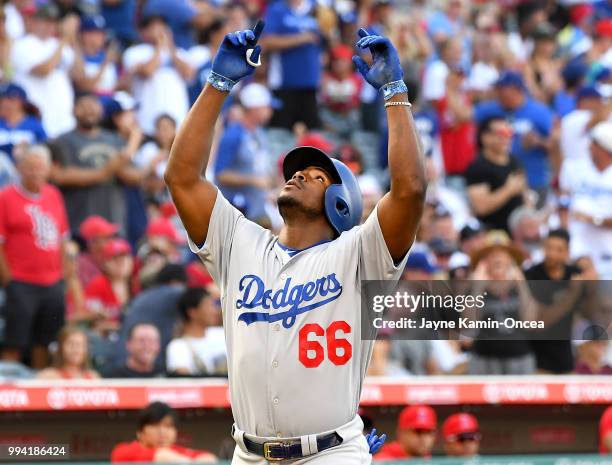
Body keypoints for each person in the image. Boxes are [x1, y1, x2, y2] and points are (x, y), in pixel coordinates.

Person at [164, 21, 425, 464]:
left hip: (330, 453)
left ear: (341, 203)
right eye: (296, 170)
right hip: (248, 454)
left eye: (317, 175)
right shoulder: (240, 243)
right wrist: (217, 85)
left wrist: (395, 93)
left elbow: (410, 190)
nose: (299, 174)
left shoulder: (361, 254)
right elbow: (182, 177)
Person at [0, 145, 69, 369]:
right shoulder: (6, 197)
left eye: (40, 168)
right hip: (21, 281)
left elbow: (63, 239)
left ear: (49, 169)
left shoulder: (54, 194)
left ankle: (39, 392)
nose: (35, 172)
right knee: (15, 341)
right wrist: (8, 279)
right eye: (30, 167)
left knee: (45, 342)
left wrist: (64, 276)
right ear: (20, 168)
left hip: (52, 281)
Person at [49, 93, 131, 235]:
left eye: (93, 106)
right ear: (73, 110)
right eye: (83, 106)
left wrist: (135, 140)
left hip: (113, 224)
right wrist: (106, 171)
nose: (89, 110)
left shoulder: (115, 139)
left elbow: (134, 176)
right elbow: (59, 176)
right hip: (78, 225)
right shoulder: (62, 141)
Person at [475, 71, 554, 198]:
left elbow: (554, 144)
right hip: (497, 182)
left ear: (516, 90)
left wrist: (537, 141)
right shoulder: (489, 110)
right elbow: (466, 120)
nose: (498, 92)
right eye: (497, 88)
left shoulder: (540, 112)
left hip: (533, 179)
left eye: (502, 89)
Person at [10, 2, 77, 137]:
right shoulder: (22, 45)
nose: (49, 26)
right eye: (45, 21)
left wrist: (73, 38)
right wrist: (64, 39)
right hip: (38, 117)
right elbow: (43, 71)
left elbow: (78, 75)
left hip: (63, 117)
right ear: (34, 21)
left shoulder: (59, 45)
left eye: (53, 22)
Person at [214, 82, 274, 223]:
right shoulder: (233, 136)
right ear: (254, 108)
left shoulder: (260, 133)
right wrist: (252, 180)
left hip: (258, 209)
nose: (270, 110)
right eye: (266, 106)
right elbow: (220, 175)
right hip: (237, 213)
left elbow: (261, 168)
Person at [123, 16, 193, 135]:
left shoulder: (179, 53)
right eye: (154, 27)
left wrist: (170, 47)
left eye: (163, 27)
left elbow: (189, 74)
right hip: (147, 120)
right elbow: (148, 71)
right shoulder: (135, 52)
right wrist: (159, 47)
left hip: (177, 118)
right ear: (143, 32)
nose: (160, 31)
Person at [560, 121, 612, 279]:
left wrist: (594, 219)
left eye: (594, 143)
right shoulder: (573, 167)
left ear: (604, 148)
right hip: (578, 247)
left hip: (608, 251)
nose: (589, 146)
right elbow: (562, 203)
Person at [525, 229, 581, 374]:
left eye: (558, 249)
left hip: (567, 359)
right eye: (548, 248)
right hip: (537, 361)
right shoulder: (532, 276)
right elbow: (540, 322)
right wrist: (572, 294)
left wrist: (592, 286)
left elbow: (592, 312)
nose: (551, 254)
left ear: (567, 252)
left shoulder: (575, 274)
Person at [260, 0, 323, 130]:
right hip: (284, 83)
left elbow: (324, 40)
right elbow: (267, 41)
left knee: (312, 135)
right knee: (281, 133)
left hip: (310, 83)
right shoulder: (277, 9)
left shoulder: (316, 8)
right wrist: (302, 38)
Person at [465, 116, 525, 232]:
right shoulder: (477, 167)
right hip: (492, 233)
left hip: (518, 232)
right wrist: (508, 190)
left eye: (509, 133)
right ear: (485, 137)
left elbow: (523, 192)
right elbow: (480, 207)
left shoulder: (514, 161)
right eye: (501, 133)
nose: (506, 138)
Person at [110, 401, 217, 463]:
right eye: (155, 425)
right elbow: (161, 456)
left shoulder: (177, 451)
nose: (162, 432)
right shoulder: (124, 450)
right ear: (140, 432)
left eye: (168, 426)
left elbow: (210, 459)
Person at [166, 287, 226, 376]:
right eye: (208, 306)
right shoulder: (178, 347)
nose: (215, 311)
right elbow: (184, 382)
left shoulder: (224, 335)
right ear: (192, 312)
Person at [82, 238, 133, 337]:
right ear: (105, 264)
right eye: (115, 259)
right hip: (106, 338)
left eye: (124, 257)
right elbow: (95, 324)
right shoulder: (98, 285)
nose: (121, 263)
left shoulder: (135, 283)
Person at [72, 15, 119, 97]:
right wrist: (105, 63)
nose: (100, 37)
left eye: (101, 33)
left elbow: (117, 86)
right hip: (89, 102)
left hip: (110, 100)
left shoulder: (110, 56)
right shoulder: (77, 57)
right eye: (95, 33)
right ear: (84, 35)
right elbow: (86, 87)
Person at [0, 83, 46, 160]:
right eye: (2, 100)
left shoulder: (34, 124)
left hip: (26, 168)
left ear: (20, 102)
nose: (4, 103)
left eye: (10, 100)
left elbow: (45, 147)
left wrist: (28, 148)